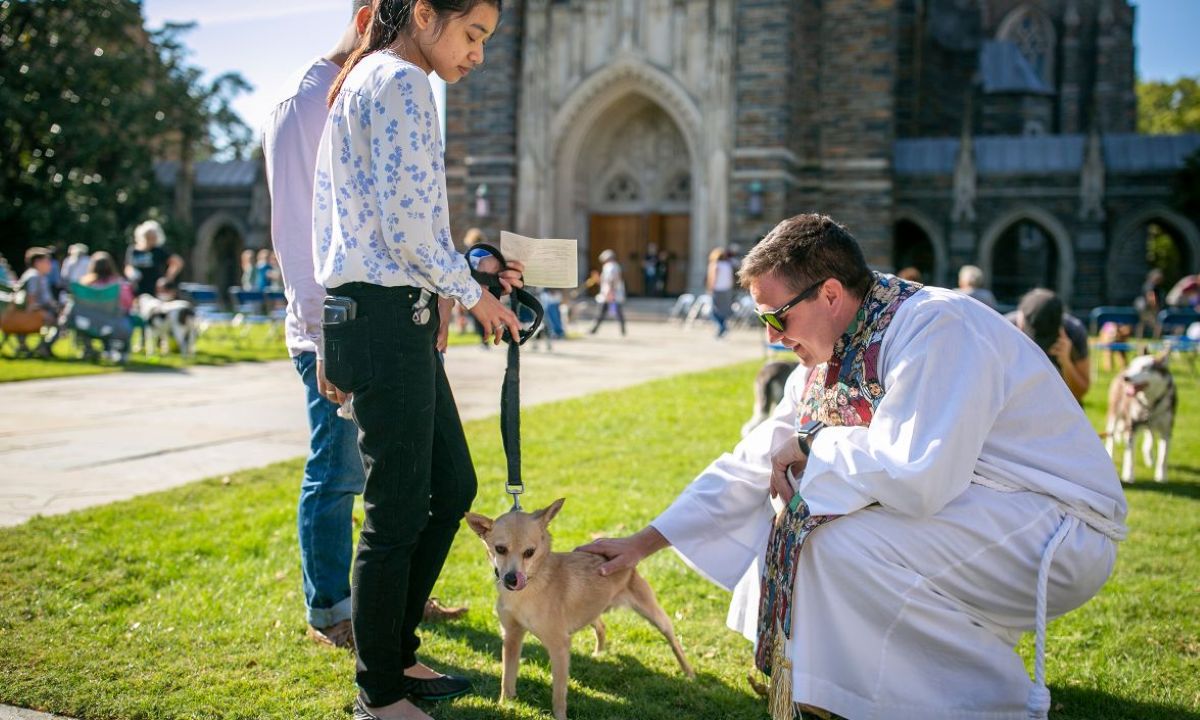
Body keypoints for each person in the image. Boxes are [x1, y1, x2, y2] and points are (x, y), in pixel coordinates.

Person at [578, 213, 1126, 720]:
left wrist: (814, 445)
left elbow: (918, 476)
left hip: (1056, 524)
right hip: (983, 509)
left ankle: (983, 698)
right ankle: (833, 689)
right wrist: (641, 543)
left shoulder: (937, 327)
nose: (771, 335)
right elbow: (754, 460)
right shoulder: (830, 353)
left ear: (831, 294)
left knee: (830, 536)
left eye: (776, 316)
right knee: (799, 516)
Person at [311, 2, 517, 719]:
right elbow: (403, 232)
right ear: (424, 14)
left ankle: (398, 650)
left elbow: (401, 226)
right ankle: (379, 692)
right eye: (472, 34)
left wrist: (472, 270)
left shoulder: (374, 78)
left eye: (486, 40)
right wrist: (475, 296)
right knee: (395, 513)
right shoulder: (397, 81)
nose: (478, 54)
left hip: (394, 313)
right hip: (382, 318)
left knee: (452, 485)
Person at [263, 0, 473, 658]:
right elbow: (305, 236)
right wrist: (328, 339)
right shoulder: (309, 103)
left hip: (385, 317)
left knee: (400, 485)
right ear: (374, 15)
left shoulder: (370, 85)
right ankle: (334, 607)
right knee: (340, 475)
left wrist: (443, 285)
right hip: (340, 325)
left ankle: (386, 602)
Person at [1007, 288, 1091, 403]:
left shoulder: (1073, 331)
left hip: (1060, 409)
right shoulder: (1003, 329)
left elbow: (1080, 393)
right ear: (1020, 316)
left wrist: (1066, 363)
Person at [16, 246, 61, 357]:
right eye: (47, 261)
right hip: (29, 315)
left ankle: (40, 347)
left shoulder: (40, 276)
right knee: (62, 323)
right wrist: (45, 314)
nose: (50, 264)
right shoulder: (34, 276)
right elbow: (31, 302)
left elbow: (47, 300)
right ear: (37, 262)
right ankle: (43, 347)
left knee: (61, 319)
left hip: (36, 312)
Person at [124, 220, 180, 297]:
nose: (150, 240)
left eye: (153, 238)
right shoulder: (133, 250)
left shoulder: (158, 250)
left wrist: (168, 278)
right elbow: (128, 266)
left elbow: (177, 262)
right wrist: (131, 274)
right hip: (137, 288)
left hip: (155, 289)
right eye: (148, 237)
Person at [589, 248, 626, 335]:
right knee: (609, 311)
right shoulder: (614, 266)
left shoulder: (610, 266)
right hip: (611, 293)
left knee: (605, 311)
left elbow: (611, 280)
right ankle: (595, 329)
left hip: (610, 293)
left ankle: (594, 329)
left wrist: (610, 292)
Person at [706, 246, 735, 338]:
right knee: (723, 310)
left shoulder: (715, 265)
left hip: (717, 289)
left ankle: (722, 327)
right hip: (727, 289)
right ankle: (722, 328)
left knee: (714, 311)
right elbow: (731, 279)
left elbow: (712, 278)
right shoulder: (728, 265)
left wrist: (710, 289)